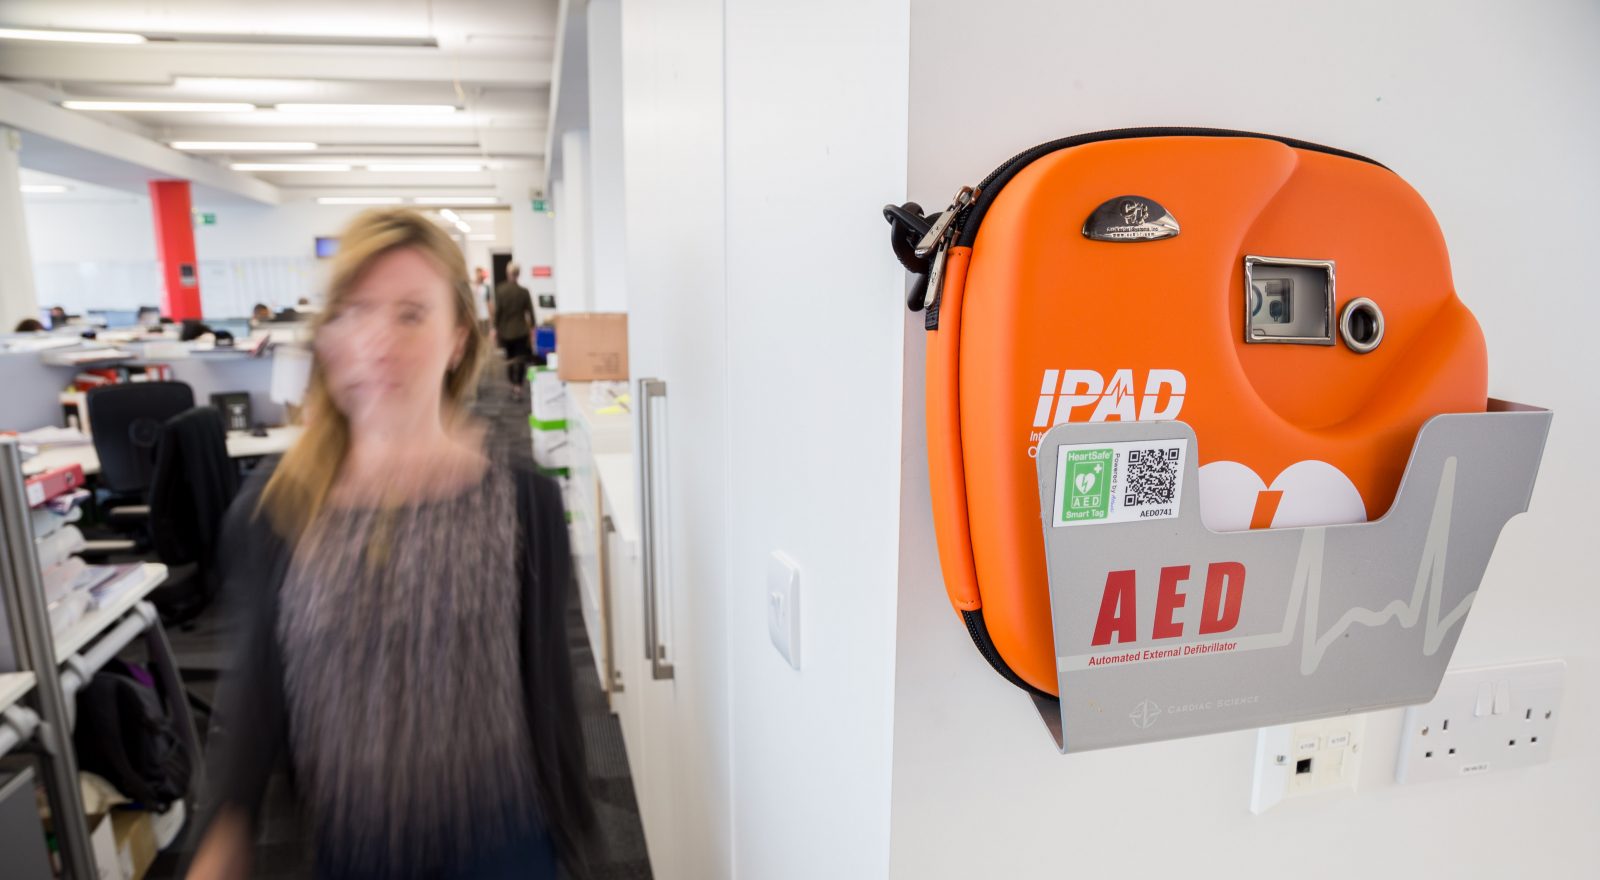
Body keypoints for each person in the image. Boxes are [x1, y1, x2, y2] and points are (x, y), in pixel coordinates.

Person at [186, 209, 593, 880]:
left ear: (459, 338)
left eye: (411, 314)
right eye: (356, 311)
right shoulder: (278, 509)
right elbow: (257, 701)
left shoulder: (527, 507)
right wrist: (223, 836)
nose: (379, 340)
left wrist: (578, 848)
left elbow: (552, 709)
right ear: (330, 336)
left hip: (506, 846)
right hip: (355, 853)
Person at [493, 261, 536, 397]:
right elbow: (530, 311)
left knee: (510, 358)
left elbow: (497, 312)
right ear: (518, 274)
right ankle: (519, 385)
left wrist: (495, 327)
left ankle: (512, 383)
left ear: (508, 273)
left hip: (506, 332)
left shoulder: (500, 290)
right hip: (521, 331)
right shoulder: (524, 292)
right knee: (521, 359)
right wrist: (533, 327)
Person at [473, 266, 493, 332]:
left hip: (485, 315)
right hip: (475, 316)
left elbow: (489, 302)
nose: (478, 276)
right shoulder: (472, 287)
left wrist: (491, 316)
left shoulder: (486, 287)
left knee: (485, 334)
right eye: (477, 274)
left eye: (479, 274)